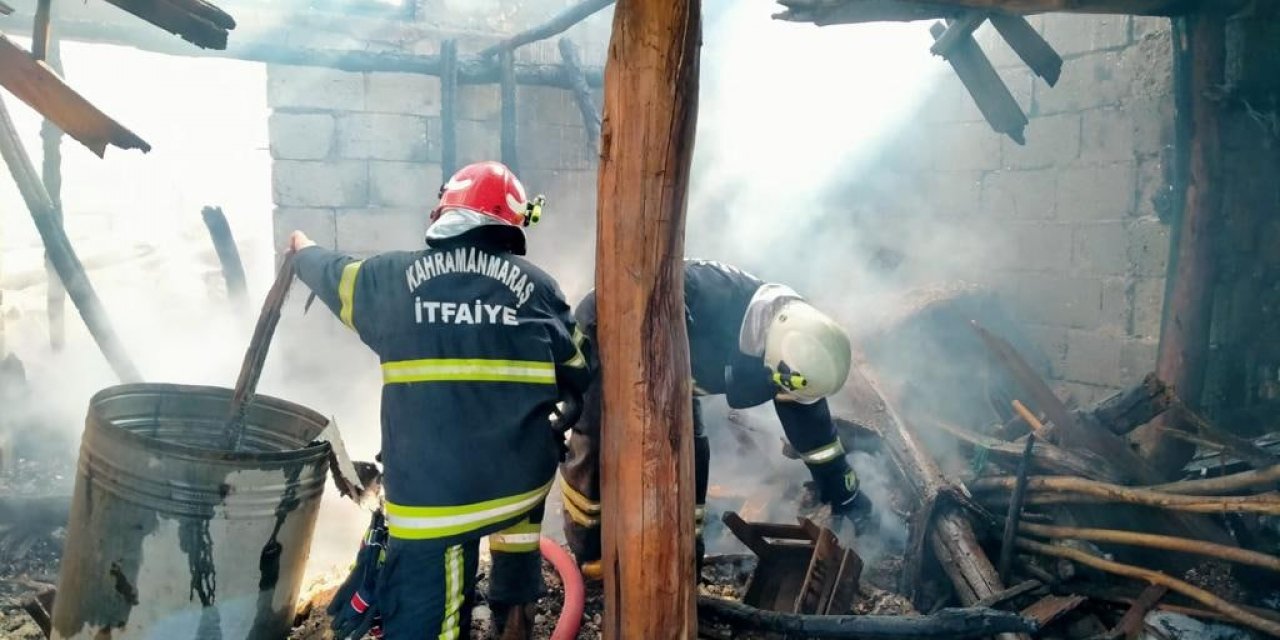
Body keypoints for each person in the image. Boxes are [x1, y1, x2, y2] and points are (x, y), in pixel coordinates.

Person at [289, 161, 591, 639]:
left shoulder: (388, 277)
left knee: (427, 616)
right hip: (519, 484)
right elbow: (579, 364)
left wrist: (302, 250)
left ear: (446, 211)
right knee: (518, 520)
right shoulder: (538, 286)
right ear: (512, 221)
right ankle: (515, 618)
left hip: (434, 503)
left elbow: (332, 273)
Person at [559, 258, 872, 578]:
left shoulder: (795, 345)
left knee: (692, 456)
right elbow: (639, 301)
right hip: (610, 336)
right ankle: (590, 552)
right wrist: (576, 385)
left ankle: (683, 561)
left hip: (676, 377)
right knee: (596, 445)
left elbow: (814, 435)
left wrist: (846, 495)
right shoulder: (706, 299)